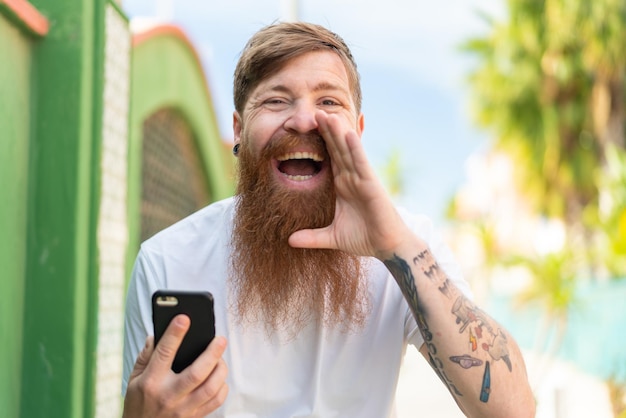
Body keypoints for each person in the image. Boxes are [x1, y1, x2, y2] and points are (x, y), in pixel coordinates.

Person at [122, 21, 535, 418]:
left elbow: (514, 411)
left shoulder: (407, 245)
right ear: (238, 131)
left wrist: (394, 247)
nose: (303, 120)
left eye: (329, 102)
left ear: (357, 129)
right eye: (276, 100)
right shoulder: (167, 260)